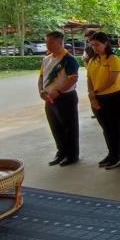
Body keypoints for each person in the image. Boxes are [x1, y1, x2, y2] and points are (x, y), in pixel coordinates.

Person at [40, 31, 80, 167]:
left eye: (51, 42)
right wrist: (41, 90)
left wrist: (58, 91)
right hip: (49, 98)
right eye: (47, 42)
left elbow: (73, 79)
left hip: (65, 97)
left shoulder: (69, 59)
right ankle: (61, 152)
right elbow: (42, 77)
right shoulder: (46, 59)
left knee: (69, 127)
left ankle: (72, 155)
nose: (48, 45)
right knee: (55, 127)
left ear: (60, 42)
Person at [87, 32, 120, 169]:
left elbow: (112, 80)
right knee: (106, 128)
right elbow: (89, 79)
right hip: (97, 97)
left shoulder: (113, 59)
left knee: (115, 127)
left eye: (97, 45)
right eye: (92, 45)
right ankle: (111, 153)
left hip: (113, 97)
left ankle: (117, 156)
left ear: (106, 44)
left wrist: (95, 92)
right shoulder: (92, 60)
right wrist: (92, 95)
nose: (94, 48)